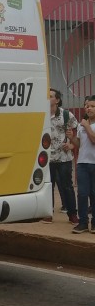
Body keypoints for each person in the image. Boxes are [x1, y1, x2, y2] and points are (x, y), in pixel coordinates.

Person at [45, 89, 79, 224]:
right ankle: (48, 213)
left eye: (51, 96)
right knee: (48, 186)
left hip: (64, 157)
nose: (47, 98)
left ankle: (72, 214)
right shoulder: (42, 114)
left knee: (67, 186)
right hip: (47, 158)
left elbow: (76, 131)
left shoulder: (66, 114)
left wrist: (71, 144)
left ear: (57, 100)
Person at [66, 95, 95, 234]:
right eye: (88, 106)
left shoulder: (85, 124)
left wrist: (86, 125)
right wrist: (72, 137)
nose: (89, 108)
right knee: (82, 194)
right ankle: (83, 222)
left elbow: (94, 140)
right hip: (82, 164)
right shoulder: (82, 124)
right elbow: (80, 144)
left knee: (94, 194)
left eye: (92, 106)